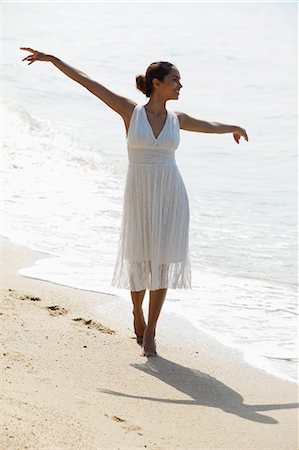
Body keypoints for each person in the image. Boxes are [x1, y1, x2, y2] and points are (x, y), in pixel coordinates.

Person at [20, 47, 249, 358]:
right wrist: (54, 60)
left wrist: (234, 128)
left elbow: (209, 125)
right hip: (139, 193)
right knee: (139, 258)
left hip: (171, 194)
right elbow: (88, 83)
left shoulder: (177, 119)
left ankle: (152, 330)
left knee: (163, 261)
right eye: (175, 80)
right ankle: (137, 313)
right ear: (157, 83)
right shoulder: (131, 112)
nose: (180, 86)